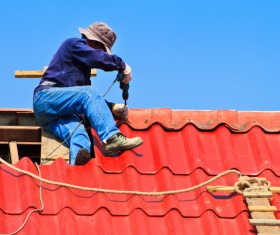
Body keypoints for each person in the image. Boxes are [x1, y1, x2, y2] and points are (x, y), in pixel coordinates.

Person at [33, 22, 143, 165]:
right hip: (46, 99)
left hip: (53, 116)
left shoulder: (82, 73)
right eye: (102, 48)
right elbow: (96, 59)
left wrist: (112, 107)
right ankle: (111, 138)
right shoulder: (73, 44)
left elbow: (89, 102)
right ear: (93, 41)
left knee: (79, 134)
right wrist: (122, 65)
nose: (102, 53)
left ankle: (77, 171)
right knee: (88, 93)